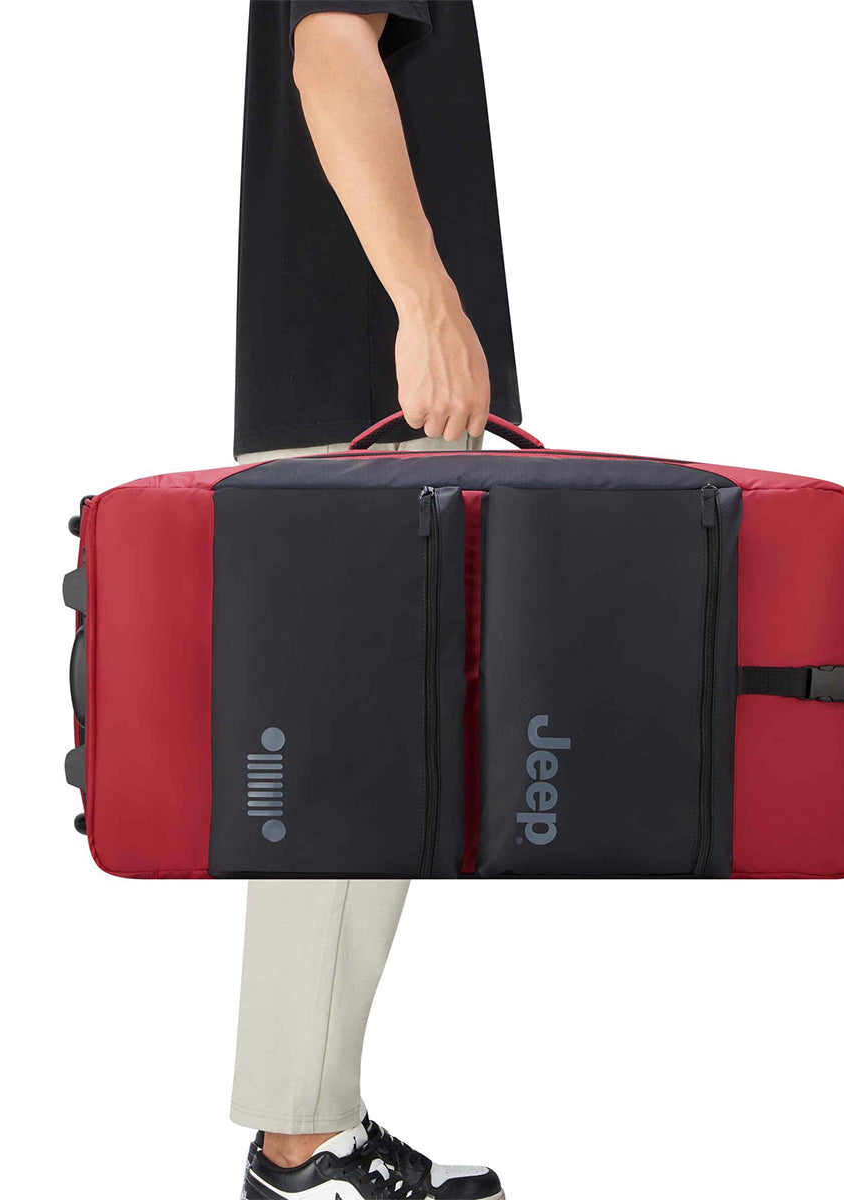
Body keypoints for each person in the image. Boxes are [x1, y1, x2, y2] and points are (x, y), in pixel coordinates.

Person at [231, 5, 518, 1198]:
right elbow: (329, 51)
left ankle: (307, 1132)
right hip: (372, 399)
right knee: (347, 780)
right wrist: (430, 306)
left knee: (350, 781)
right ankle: (300, 1144)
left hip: (355, 397)